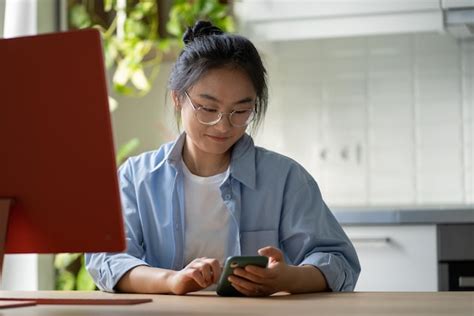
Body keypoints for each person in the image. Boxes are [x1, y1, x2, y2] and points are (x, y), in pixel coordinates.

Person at [85, 20, 360, 296]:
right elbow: (106, 259)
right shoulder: (135, 178)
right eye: (208, 108)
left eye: (240, 111)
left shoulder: (286, 179)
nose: (223, 126)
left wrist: (288, 278)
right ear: (178, 98)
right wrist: (170, 281)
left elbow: (340, 262)